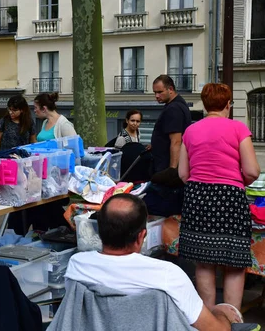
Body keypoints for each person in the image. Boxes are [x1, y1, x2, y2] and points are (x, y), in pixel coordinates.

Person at [64, 193, 242, 331]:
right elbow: (213, 329)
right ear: (142, 235)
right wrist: (221, 313)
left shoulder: (77, 265)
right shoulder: (167, 275)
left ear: (99, 231)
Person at [178, 83, 261, 311]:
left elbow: (183, 173)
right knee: (233, 262)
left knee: (204, 261)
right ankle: (231, 320)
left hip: (197, 197)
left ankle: (208, 320)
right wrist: (236, 182)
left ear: (205, 105)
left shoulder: (191, 131)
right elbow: (253, 170)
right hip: (230, 197)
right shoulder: (238, 128)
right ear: (228, 105)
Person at [144, 75, 192, 216]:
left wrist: (172, 171)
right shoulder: (179, 105)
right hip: (170, 171)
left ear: (170, 89)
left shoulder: (174, 109)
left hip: (166, 174)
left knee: (158, 211)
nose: (156, 96)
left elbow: (176, 141)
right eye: (155, 93)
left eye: (160, 92)